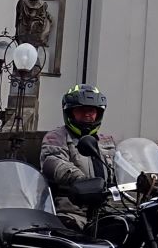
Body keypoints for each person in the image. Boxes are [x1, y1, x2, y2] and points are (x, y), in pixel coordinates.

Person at [40, 84, 117, 223]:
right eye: (82, 110)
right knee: (69, 234)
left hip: (105, 211)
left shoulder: (107, 141)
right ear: (70, 112)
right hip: (72, 212)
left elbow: (121, 166)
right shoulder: (56, 137)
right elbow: (52, 162)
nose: (88, 114)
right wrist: (80, 180)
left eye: (92, 110)